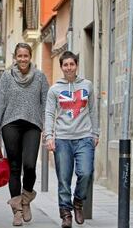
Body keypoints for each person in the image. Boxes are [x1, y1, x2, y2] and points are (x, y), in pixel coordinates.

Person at [0, 43, 49, 226]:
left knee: (30, 165)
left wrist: (48, 126)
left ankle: (26, 197)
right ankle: (17, 210)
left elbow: (46, 102)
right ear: (15, 57)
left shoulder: (39, 77)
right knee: (14, 167)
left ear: (30, 57)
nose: (23, 59)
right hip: (10, 124)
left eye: (26, 56)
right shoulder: (7, 76)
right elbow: (0, 101)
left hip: (32, 125)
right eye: (20, 56)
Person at [44, 51, 99, 228]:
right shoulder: (55, 90)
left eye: (71, 64)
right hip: (62, 139)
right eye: (65, 65)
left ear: (76, 65)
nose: (69, 67)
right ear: (61, 67)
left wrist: (95, 133)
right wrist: (49, 136)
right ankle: (66, 213)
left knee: (86, 173)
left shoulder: (87, 86)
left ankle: (78, 202)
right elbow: (50, 113)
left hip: (84, 137)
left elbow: (93, 111)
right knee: (64, 179)